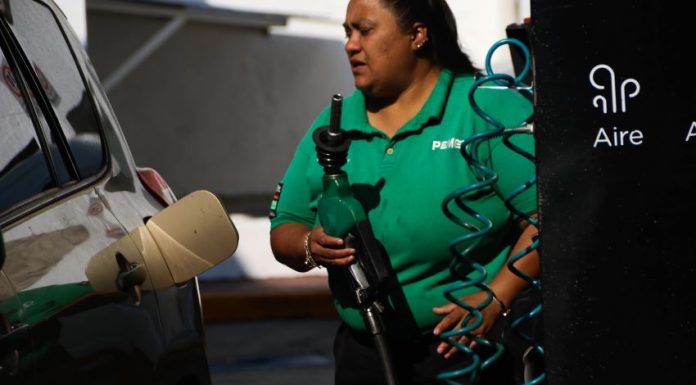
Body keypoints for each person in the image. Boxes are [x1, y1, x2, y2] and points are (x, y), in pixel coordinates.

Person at [269, 0, 539, 384]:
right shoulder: (334, 123)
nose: (350, 44)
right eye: (347, 32)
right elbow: (285, 227)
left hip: (466, 351)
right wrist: (310, 246)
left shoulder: (487, 108)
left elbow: (548, 216)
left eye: (365, 29)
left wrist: (497, 297)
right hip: (365, 352)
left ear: (417, 35)